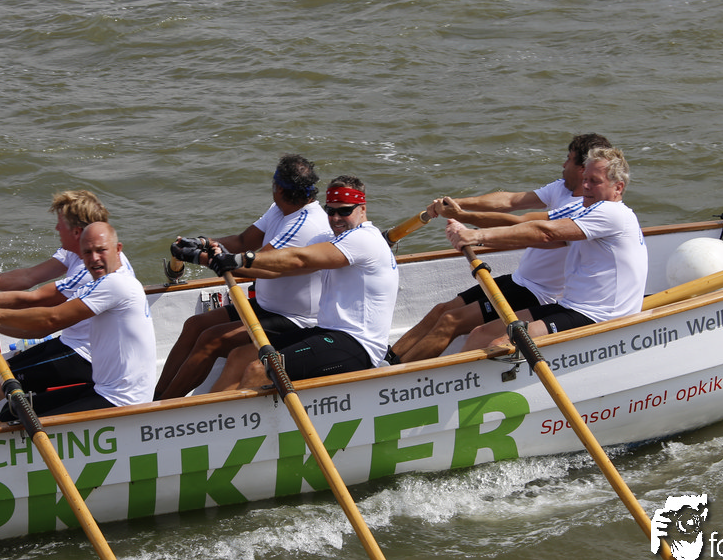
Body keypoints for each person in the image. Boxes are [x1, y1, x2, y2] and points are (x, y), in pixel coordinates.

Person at [389, 133, 612, 363]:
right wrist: (454, 204)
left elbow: (521, 224)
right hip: (518, 280)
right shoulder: (562, 189)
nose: (563, 165)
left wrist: (467, 223)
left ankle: (394, 374)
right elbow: (509, 201)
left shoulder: (582, 209)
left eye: (569, 159)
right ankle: (387, 360)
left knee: (450, 322)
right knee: (441, 310)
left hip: (537, 294)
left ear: (582, 169)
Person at [154, 154, 331, 400]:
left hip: (295, 319)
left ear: (278, 188)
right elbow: (242, 241)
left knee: (211, 340)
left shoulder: (307, 225)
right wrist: (203, 243)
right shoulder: (280, 209)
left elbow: (254, 265)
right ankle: (156, 397)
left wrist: (199, 258)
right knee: (194, 326)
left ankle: (163, 408)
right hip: (268, 306)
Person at [199, 175, 398, 392]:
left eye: (344, 211)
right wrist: (209, 257)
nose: (335, 218)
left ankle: (233, 413)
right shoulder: (332, 240)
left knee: (260, 369)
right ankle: (204, 412)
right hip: (327, 332)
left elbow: (299, 258)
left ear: (362, 209)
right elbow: (278, 268)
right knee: (240, 356)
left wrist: (240, 259)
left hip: (359, 345)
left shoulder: (364, 238)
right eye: (330, 211)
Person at [0, 190, 118, 428]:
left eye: (60, 223)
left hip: (88, 357)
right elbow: (27, 277)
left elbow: (35, 301)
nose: (56, 228)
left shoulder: (93, 269)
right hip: (71, 344)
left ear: (76, 232)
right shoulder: (76, 253)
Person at [446, 146, 647, 349]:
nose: (585, 185)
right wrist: (477, 238)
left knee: (502, 343)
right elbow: (543, 240)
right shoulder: (590, 213)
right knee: (482, 333)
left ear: (618, 188)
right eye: (585, 179)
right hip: (570, 306)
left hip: (599, 317)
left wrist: (476, 235)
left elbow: (545, 232)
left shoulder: (611, 212)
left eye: (594, 181)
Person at [0, 222, 156, 416]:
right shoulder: (97, 283)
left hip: (120, 399)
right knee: (11, 412)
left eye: (101, 250)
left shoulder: (115, 283)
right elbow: (40, 329)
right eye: (87, 252)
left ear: (118, 249)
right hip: (104, 387)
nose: (94, 258)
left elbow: (50, 318)